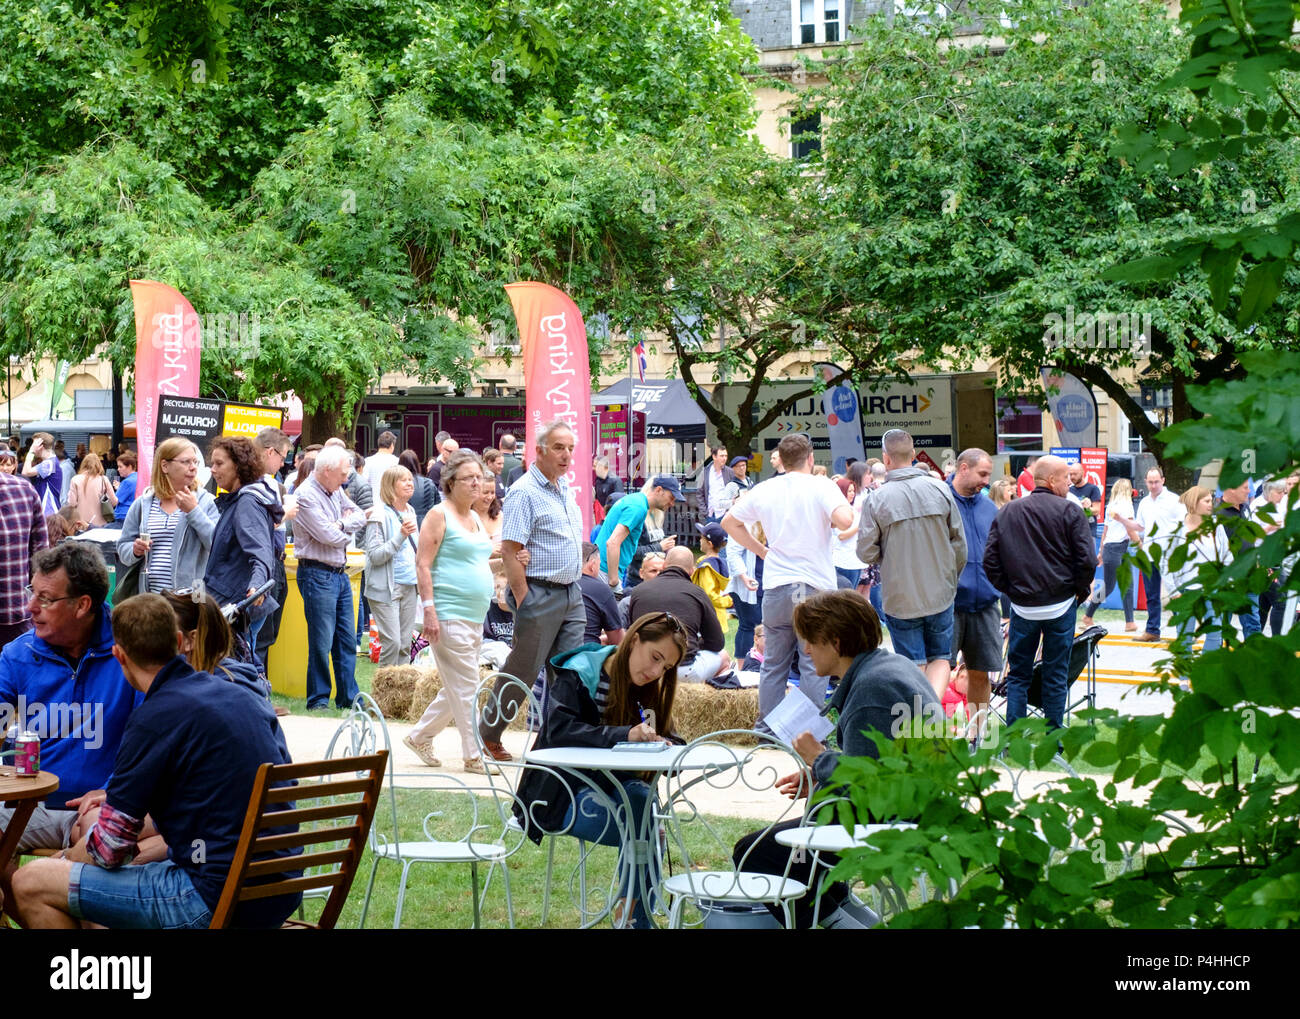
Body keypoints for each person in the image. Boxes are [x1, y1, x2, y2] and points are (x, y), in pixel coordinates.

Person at [9, 594, 300, 929]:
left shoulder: (153, 717)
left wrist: (65, 859)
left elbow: (109, 850)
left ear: (118, 655)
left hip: (209, 897)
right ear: (178, 642)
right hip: (277, 892)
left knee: (31, 882)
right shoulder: (242, 698)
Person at [732, 589, 940, 929]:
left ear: (836, 642)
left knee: (755, 853)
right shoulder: (890, 667)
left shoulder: (872, 688)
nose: (807, 650)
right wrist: (821, 777)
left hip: (895, 823)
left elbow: (871, 784)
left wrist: (821, 760)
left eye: (811, 640)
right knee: (794, 855)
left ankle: (831, 923)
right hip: (919, 809)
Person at [514, 612, 688, 928]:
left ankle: (631, 915)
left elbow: (661, 734)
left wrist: (667, 744)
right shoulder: (581, 672)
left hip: (618, 801)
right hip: (556, 798)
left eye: (665, 667)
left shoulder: (644, 690)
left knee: (640, 802)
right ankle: (636, 916)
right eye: (655, 657)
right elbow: (562, 731)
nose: (654, 671)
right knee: (646, 827)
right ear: (634, 639)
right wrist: (625, 734)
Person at [0, 544, 138, 866]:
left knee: (111, 853)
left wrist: (114, 791)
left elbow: (158, 742)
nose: (30, 607)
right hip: (28, 807)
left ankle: (35, 892)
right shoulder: (17, 654)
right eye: (30, 592)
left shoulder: (131, 650)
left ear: (83, 605)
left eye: (45, 599)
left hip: (105, 810)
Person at [722, 433, 854, 719]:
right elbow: (846, 520)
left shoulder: (766, 489)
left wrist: (761, 551)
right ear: (810, 459)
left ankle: (768, 730)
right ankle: (804, 731)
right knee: (813, 663)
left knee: (773, 663)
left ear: (780, 460)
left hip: (778, 585)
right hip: (816, 587)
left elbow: (728, 522)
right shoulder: (821, 486)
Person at [477, 420, 587, 763]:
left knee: (571, 672)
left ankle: (557, 740)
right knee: (523, 670)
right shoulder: (525, 491)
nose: (566, 454)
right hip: (539, 593)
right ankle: (488, 735)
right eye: (558, 447)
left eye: (570, 448)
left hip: (571, 593)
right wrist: (524, 598)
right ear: (538, 451)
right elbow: (510, 550)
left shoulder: (564, 487)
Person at [983, 455, 1095, 729]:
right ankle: (1052, 739)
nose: (1070, 483)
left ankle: (1013, 738)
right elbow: (1087, 561)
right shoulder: (1070, 511)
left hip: (1023, 605)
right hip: (1060, 604)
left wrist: (1011, 590)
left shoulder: (1009, 511)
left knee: (1018, 675)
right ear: (1051, 480)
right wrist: (1077, 592)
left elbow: (991, 561)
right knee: (1055, 674)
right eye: (1066, 478)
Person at [856, 429, 967, 698]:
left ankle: (921, 721)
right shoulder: (941, 488)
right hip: (940, 591)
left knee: (912, 662)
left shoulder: (877, 499)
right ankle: (932, 716)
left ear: (886, 458)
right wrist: (949, 578)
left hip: (900, 595)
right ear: (914, 454)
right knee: (941, 657)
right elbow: (959, 545)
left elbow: (866, 553)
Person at [407, 450, 496, 774]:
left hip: (473, 615)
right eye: (470, 477)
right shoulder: (438, 515)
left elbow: (474, 561)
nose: (477, 483)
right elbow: (423, 564)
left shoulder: (473, 517)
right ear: (450, 481)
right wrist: (429, 610)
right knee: (468, 685)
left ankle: (420, 736)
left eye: (480, 477)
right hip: (447, 613)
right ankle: (473, 754)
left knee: (457, 685)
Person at [291, 445, 368, 711]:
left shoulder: (334, 489)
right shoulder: (305, 496)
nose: (346, 479)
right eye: (342, 474)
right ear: (325, 471)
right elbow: (329, 537)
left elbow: (359, 515)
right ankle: (318, 700)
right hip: (316, 573)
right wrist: (342, 530)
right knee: (322, 641)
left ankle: (348, 697)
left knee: (346, 640)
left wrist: (342, 524)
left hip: (339, 573)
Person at [203, 436, 282, 658]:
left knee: (240, 678)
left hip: (238, 608)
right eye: (212, 464)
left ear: (238, 465)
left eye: (219, 463)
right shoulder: (240, 500)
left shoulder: (247, 502)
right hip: (228, 603)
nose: (213, 469)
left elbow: (261, 551)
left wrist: (257, 585)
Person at [117, 439, 220, 597]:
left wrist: (193, 511)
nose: (193, 468)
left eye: (195, 462)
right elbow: (123, 546)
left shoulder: (206, 501)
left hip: (195, 596)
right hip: (151, 598)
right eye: (186, 462)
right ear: (165, 466)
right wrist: (135, 550)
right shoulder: (143, 503)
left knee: (197, 622)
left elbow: (217, 546)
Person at [946, 448, 999, 733]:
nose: (986, 481)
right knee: (940, 671)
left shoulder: (989, 507)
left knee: (981, 674)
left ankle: (977, 736)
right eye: (982, 474)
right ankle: (935, 737)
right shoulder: (941, 501)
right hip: (949, 605)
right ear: (962, 468)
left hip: (986, 605)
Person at [628, 546, 730, 683]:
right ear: (692, 571)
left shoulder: (638, 591)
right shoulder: (697, 593)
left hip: (642, 665)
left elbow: (631, 633)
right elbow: (717, 643)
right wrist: (693, 643)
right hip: (682, 668)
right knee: (724, 656)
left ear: (664, 565)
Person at [364, 466, 421, 668]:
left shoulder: (410, 511)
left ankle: (400, 693)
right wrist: (401, 535)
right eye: (403, 480)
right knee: (392, 643)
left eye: (410, 479)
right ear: (390, 485)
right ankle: (383, 691)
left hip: (410, 585)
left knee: (405, 645)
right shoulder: (379, 514)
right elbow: (375, 555)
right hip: (386, 587)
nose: (409, 483)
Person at [1167, 486, 1231, 658]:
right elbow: (1166, 562)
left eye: (1212, 500)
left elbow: (1227, 555)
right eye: (1207, 501)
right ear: (1194, 503)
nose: (1212, 504)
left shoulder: (1216, 526)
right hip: (1185, 592)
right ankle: (1184, 682)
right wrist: (1173, 590)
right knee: (1185, 638)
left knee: (1215, 632)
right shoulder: (1176, 528)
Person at [595, 475, 681, 589]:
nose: (672, 503)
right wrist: (614, 580)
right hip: (605, 571)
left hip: (602, 568)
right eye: (671, 497)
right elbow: (612, 542)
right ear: (659, 490)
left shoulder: (636, 501)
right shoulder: (638, 507)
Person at [1133, 466, 1185, 642]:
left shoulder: (1174, 501)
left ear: (1163, 480)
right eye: (1150, 482)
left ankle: (1183, 632)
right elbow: (1140, 527)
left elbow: (1184, 527)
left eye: (1156, 481)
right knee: (1151, 595)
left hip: (1170, 555)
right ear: (1146, 482)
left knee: (1175, 593)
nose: (1153, 485)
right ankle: (1152, 630)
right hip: (1149, 555)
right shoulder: (1144, 503)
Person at [1081, 478, 1141, 631]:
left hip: (1110, 547)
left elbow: (1105, 531)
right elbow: (1130, 529)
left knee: (1110, 586)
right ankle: (1127, 622)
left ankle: (1090, 616)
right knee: (1123, 585)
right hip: (1120, 547)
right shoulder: (1127, 506)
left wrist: (1101, 551)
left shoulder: (1111, 507)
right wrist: (1140, 544)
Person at [0, 462, 47, 645]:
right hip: (18, 610)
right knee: (21, 670)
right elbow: (42, 556)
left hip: (19, 611)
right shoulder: (24, 488)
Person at [1218, 478, 1263, 638]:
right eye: (1244, 488)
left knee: (1253, 623)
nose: (1249, 491)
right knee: (1223, 624)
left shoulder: (1246, 508)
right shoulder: (1218, 515)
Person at [725, 493, 763, 661]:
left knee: (764, 627)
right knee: (749, 625)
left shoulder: (773, 522)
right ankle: (743, 667)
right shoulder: (743, 522)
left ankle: (758, 664)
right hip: (748, 584)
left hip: (768, 582)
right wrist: (743, 576)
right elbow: (733, 554)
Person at [579, 541, 624, 645]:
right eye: (599, 564)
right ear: (593, 565)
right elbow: (617, 640)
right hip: (585, 654)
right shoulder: (600, 589)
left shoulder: (558, 585)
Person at [692, 521, 732, 636]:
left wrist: (727, 601)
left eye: (701, 538)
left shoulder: (707, 567)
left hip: (708, 617)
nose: (699, 540)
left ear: (709, 543)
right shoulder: (720, 562)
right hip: (716, 615)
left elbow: (708, 594)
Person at [65, 453, 116, 529]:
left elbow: (72, 503)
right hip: (100, 524)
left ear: (84, 465)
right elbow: (114, 502)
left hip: (81, 523)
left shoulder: (75, 479)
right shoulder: (104, 479)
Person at [22, 432, 62, 517]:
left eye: (34, 445)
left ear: (41, 446)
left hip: (48, 512)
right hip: (48, 511)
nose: (32, 447)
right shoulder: (51, 462)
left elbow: (25, 472)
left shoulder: (50, 463)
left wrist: (31, 452)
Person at [400, 449, 439, 524]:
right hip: (428, 523)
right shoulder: (429, 483)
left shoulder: (398, 484)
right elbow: (438, 505)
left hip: (406, 524)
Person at [698, 444, 735, 524]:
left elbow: (734, 493)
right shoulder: (705, 472)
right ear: (714, 457)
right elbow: (699, 493)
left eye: (726, 456)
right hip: (710, 514)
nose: (724, 458)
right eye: (721, 456)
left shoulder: (730, 472)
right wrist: (704, 512)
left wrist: (729, 511)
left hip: (725, 515)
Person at [363, 430, 399, 500]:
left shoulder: (367, 461)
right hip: (391, 503)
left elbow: (364, 483)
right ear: (392, 445)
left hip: (372, 503)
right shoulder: (397, 462)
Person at [112, 450, 138, 523]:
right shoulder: (138, 477)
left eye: (120, 467)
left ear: (129, 467)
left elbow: (115, 501)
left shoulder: (127, 482)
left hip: (123, 517)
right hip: (133, 516)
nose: (118, 469)